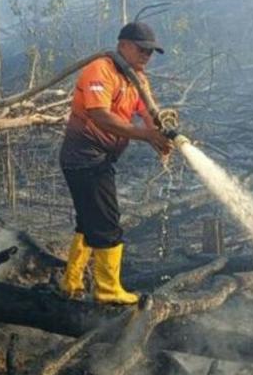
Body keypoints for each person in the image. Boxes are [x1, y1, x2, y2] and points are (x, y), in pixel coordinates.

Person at [58, 21, 172, 304]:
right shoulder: (101, 70)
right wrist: (146, 136)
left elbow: (149, 113)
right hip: (84, 157)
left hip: (99, 158)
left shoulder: (137, 79)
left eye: (151, 52)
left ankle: (71, 284)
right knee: (107, 225)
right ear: (123, 46)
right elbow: (99, 115)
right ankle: (108, 292)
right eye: (142, 49)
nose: (147, 56)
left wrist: (163, 134)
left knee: (88, 222)